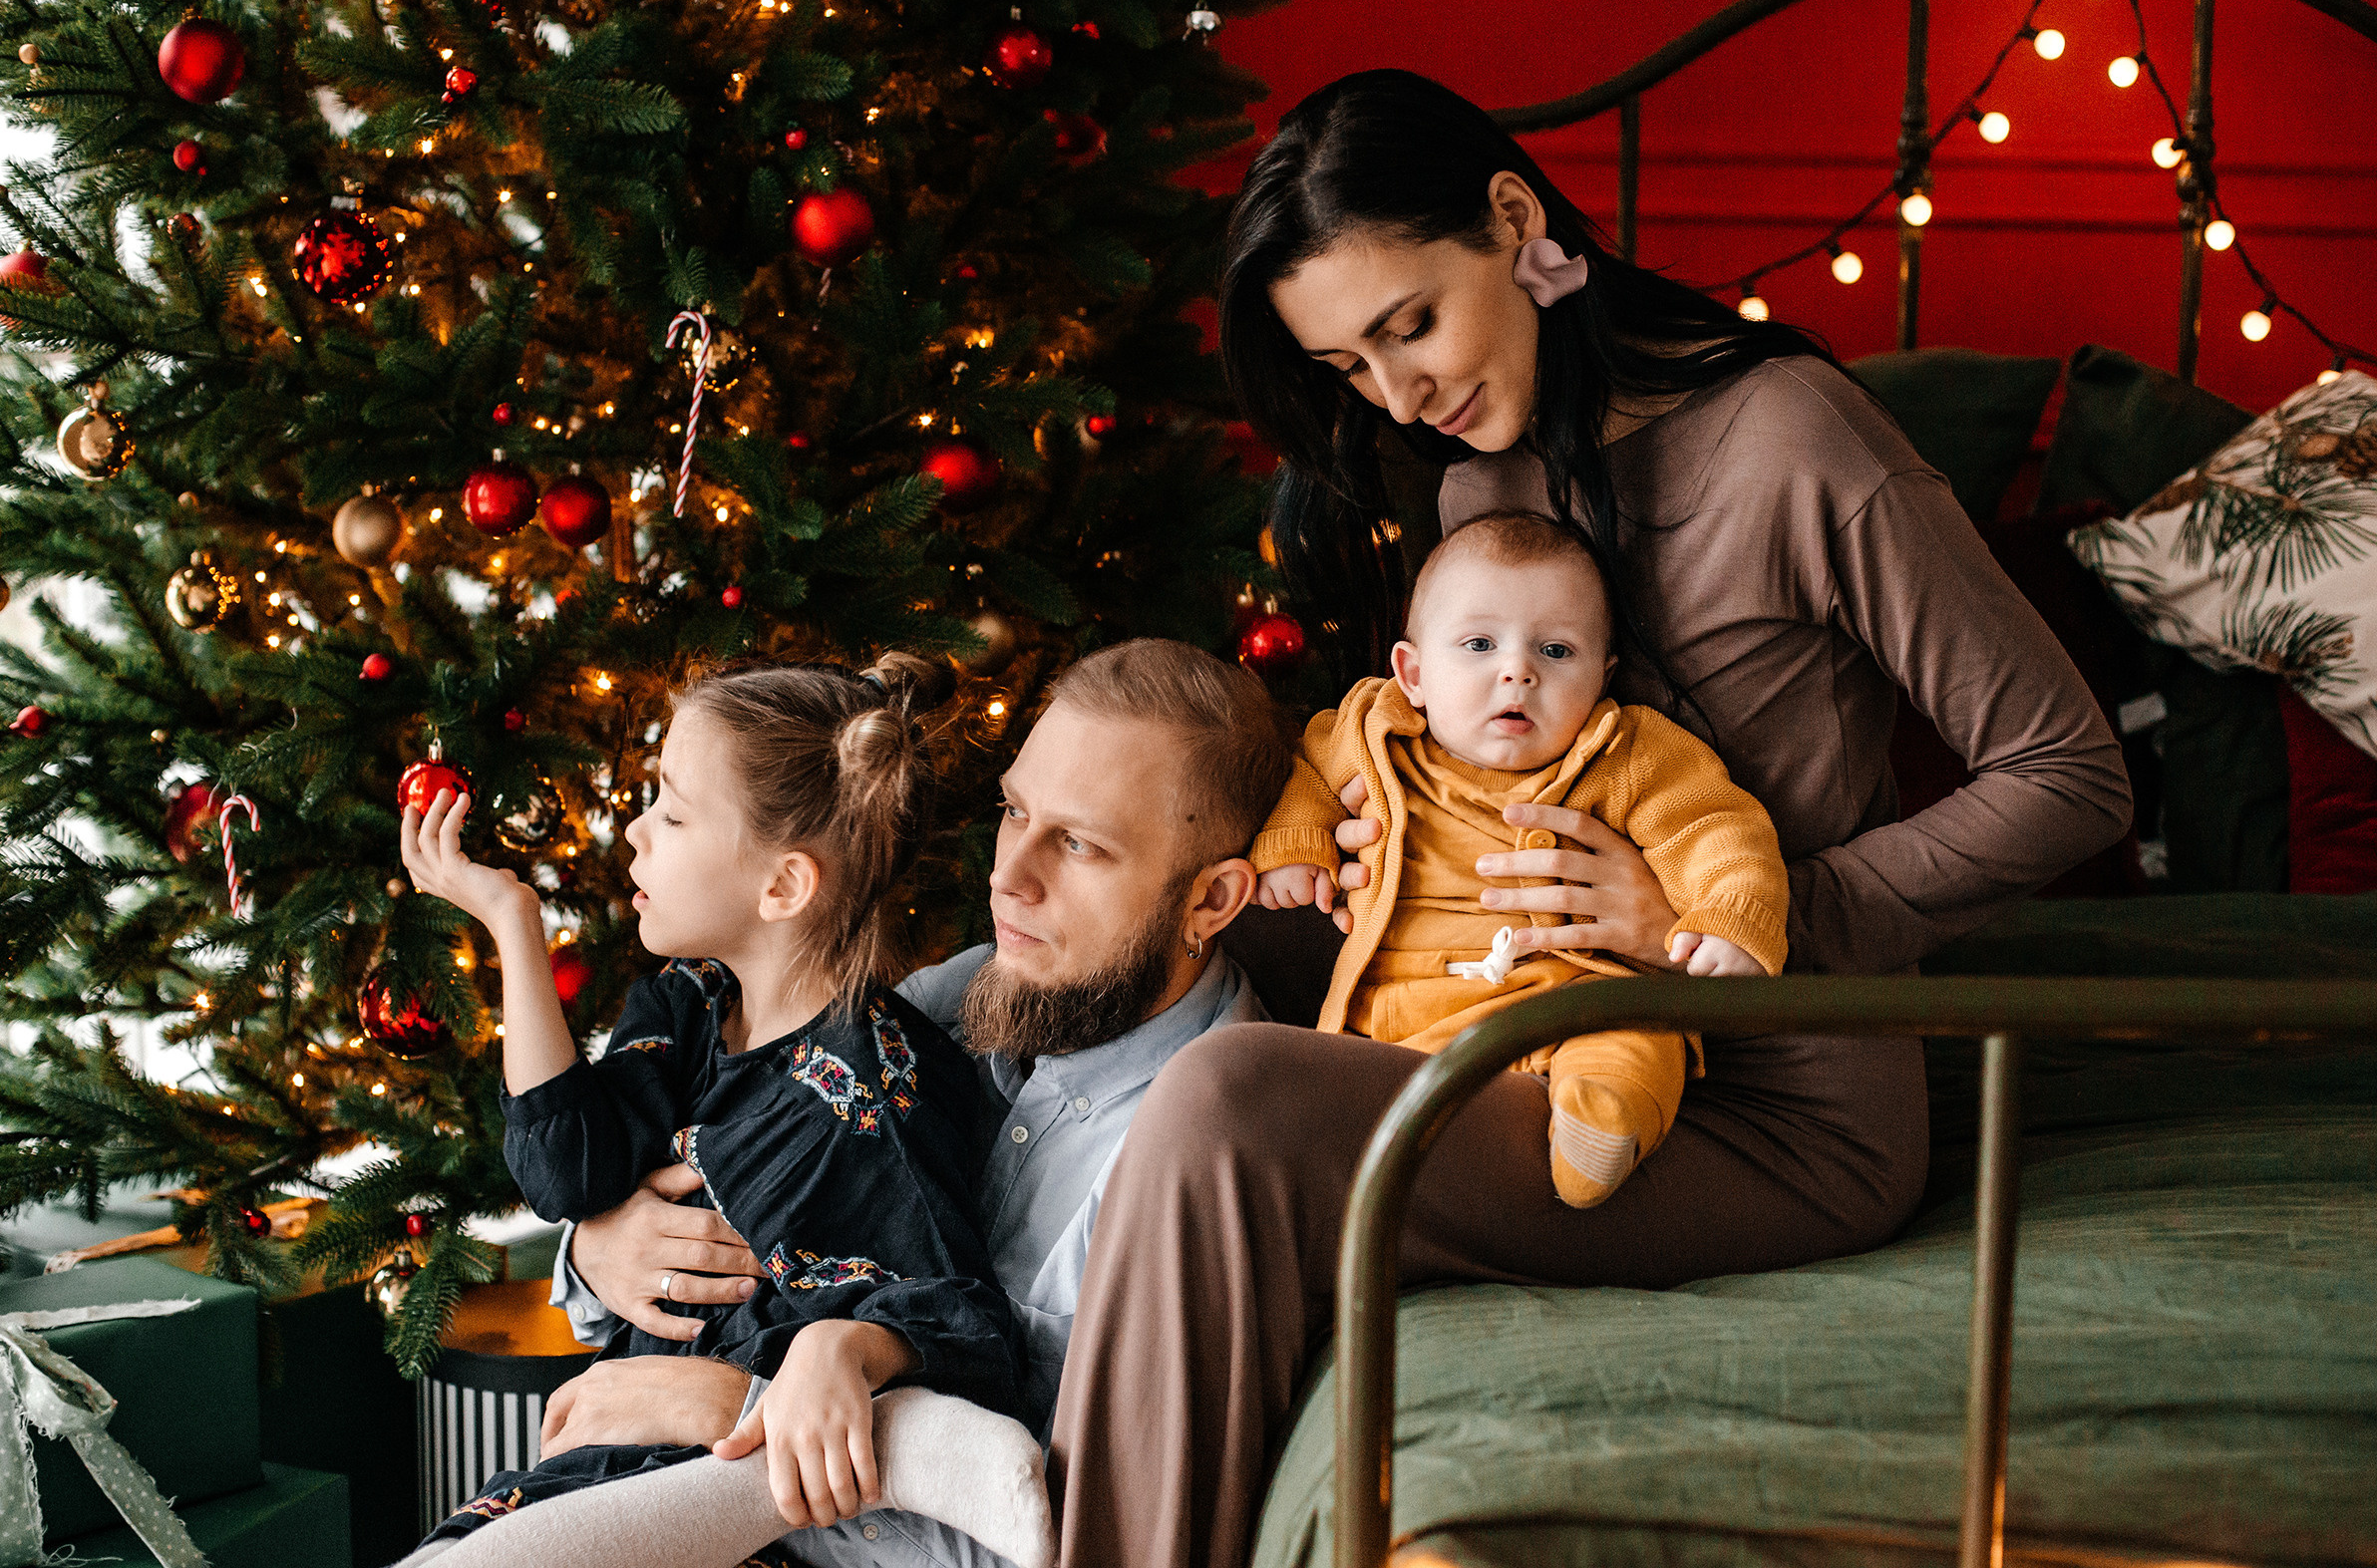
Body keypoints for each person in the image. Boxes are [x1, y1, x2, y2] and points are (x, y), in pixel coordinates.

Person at [1036, 68, 2133, 1568]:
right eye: (1350, 365)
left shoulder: (1799, 442)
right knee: (1133, 916)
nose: (1397, 396)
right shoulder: (1477, 479)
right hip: (1504, 1020)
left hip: (1767, 1104)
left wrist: (1704, 923)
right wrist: (1364, 853)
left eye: (1410, 325)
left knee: (1230, 1103)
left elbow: (2069, 773)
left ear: (1512, 219)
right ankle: (880, 1358)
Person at [417, 638, 1299, 1568]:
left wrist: (729, 1404)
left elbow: (1055, 1539)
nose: (1007, 877)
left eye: (1080, 844)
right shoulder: (958, 999)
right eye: (1014, 811)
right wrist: (604, 1249)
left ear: (1211, 900)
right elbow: (740, 1197)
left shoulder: (1199, 1169)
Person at [393, 655, 1036, 1562]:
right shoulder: (687, 1002)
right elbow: (565, 1173)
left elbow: (964, 1324)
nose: (634, 830)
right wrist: (513, 924)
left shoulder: (877, 1096)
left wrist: (851, 1348)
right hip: (605, 1465)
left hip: (732, 1505)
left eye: (673, 812)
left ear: (783, 886)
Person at [1250, 509, 1788, 1208]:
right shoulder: (1372, 732)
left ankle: (1601, 1126)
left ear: (1603, 677)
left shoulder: (1625, 753)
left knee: (1634, 1039)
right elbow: (1308, 774)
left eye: (1556, 652)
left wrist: (1731, 916)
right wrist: (1296, 847)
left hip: (1573, 1001)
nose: (1518, 672)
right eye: (1479, 644)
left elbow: (1714, 827)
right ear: (1413, 674)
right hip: (1402, 1018)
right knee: (1324, 1078)